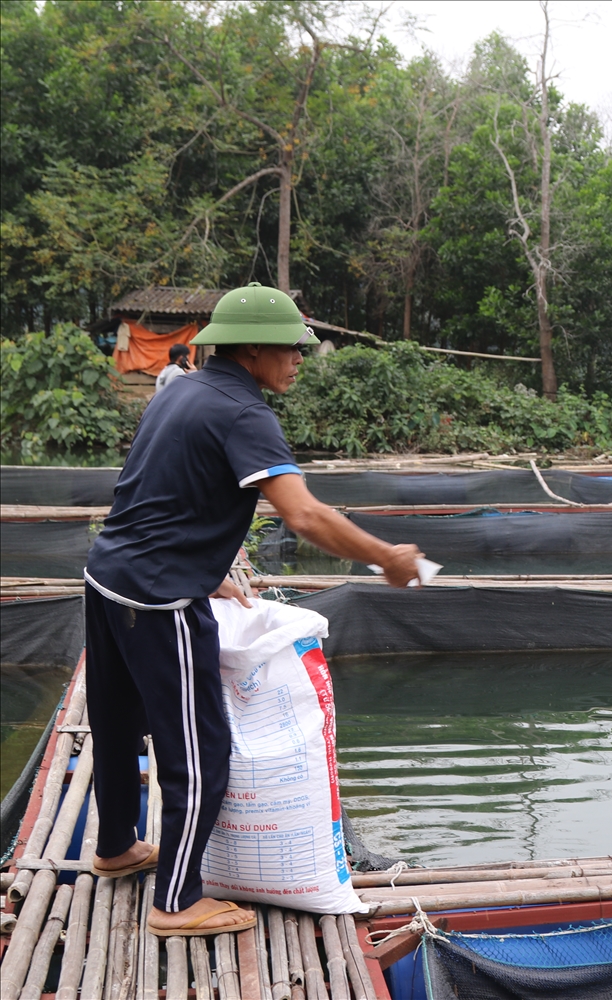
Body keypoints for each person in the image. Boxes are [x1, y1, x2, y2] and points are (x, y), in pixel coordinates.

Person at [84, 282, 425, 937]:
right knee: (202, 750)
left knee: (119, 725)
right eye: (290, 347)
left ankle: (117, 847)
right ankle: (176, 902)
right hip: (158, 599)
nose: (300, 357)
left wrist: (205, 567)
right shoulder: (246, 414)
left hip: (107, 579)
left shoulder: (179, 386)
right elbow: (303, 514)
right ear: (250, 348)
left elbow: (162, 490)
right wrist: (386, 557)